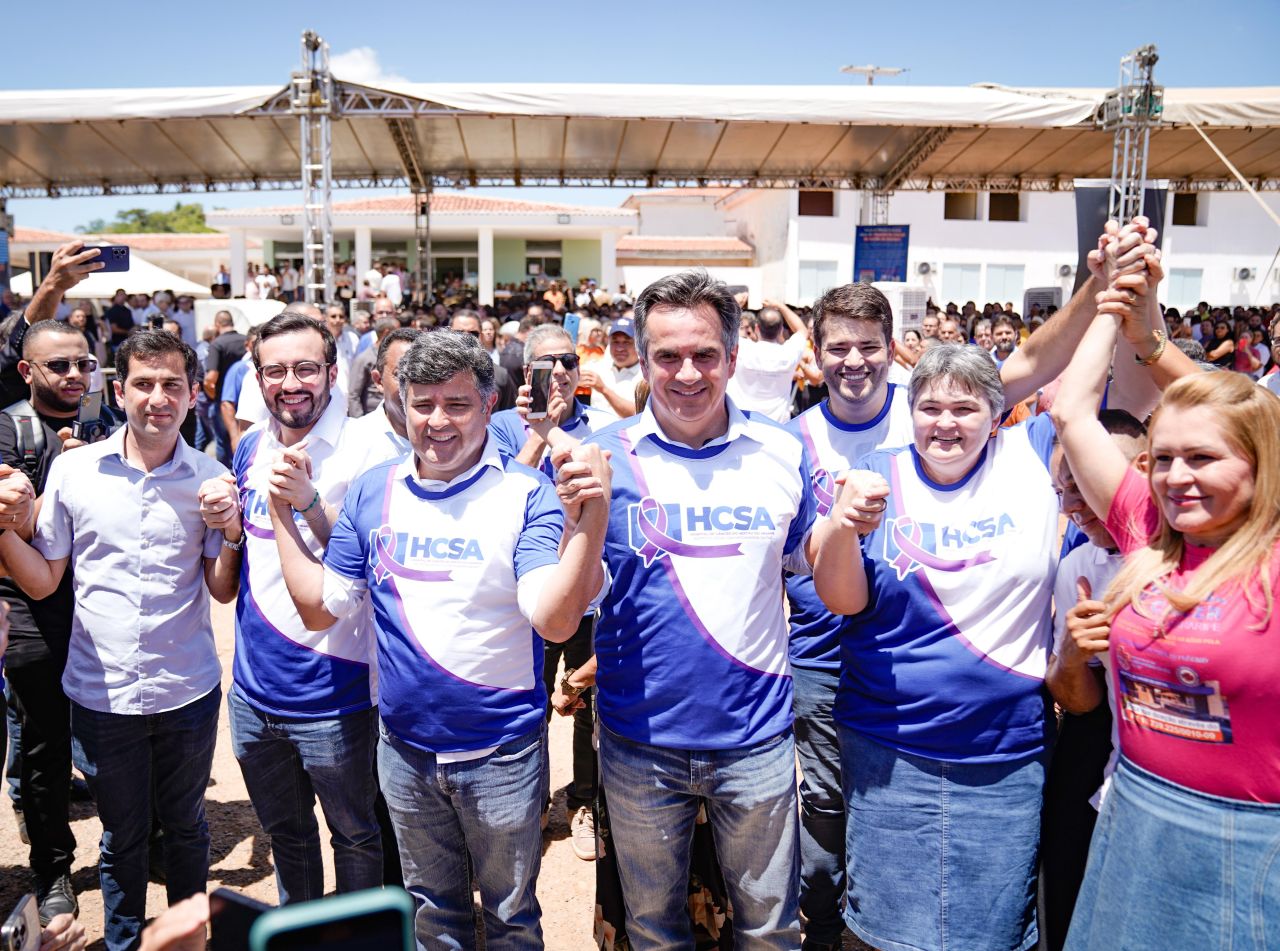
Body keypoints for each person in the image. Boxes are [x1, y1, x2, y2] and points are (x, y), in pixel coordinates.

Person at [269, 330, 611, 948]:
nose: (438, 421)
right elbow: (322, 611)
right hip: (404, 752)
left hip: (502, 753)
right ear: (402, 405)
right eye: (423, 404)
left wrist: (593, 514)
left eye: (456, 404)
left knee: (510, 917)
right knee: (435, 913)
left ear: (488, 407)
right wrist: (278, 513)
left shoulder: (526, 494)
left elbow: (555, 622)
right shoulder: (375, 490)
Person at [580, 270, 861, 949]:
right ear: (642, 360)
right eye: (667, 355)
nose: (687, 372)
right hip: (638, 741)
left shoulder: (782, 450)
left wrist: (845, 521)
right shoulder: (604, 461)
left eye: (705, 354)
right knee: (654, 930)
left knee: (768, 929)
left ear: (734, 358)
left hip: (757, 742)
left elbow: (813, 564)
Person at [1051, 240, 1280, 950]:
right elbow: (1071, 413)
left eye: (1204, 457)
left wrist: (1151, 340)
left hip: (1254, 841)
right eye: (1165, 456)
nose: (1177, 476)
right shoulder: (1150, 532)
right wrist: (1110, 298)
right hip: (1137, 815)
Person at [0, 329, 242, 951]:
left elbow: (220, 588)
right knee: (121, 836)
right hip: (101, 693)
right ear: (119, 390)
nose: (157, 398)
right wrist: (1, 530)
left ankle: (190, 939)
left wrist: (233, 532)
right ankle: (125, 943)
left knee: (186, 830)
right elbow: (45, 576)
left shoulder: (211, 479)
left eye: (171, 386)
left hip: (185, 689)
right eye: (143, 384)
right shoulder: (75, 471)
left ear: (193, 395)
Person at [228, 310, 390, 905]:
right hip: (252, 693)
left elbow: (374, 563)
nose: (290, 383)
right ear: (258, 376)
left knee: (354, 836)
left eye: (305, 368)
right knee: (287, 838)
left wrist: (311, 503)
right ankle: (301, 934)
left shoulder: (372, 449)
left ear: (332, 370)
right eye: (275, 371)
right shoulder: (249, 446)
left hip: (337, 692)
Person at [0, 320, 120, 925]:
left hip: (102, 606)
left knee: (117, 741)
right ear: (28, 371)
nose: (75, 376)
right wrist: (64, 474)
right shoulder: (9, 429)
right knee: (45, 751)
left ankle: (128, 850)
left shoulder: (111, 425)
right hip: (29, 610)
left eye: (83, 364)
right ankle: (52, 870)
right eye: (59, 367)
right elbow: (11, 532)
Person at [1039, 410, 1147, 951]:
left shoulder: (1199, 562)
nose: (1073, 507)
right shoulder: (1075, 566)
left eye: (1086, 487)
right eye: (1064, 491)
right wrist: (1075, 656)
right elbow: (1076, 703)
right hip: (1094, 753)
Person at [725, 299, 808, 422]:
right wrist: (780, 305)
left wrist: (735, 303)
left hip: (743, 425)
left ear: (757, 328)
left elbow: (722, 325)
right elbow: (802, 330)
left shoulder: (742, 348)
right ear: (781, 330)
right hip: (778, 428)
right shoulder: (788, 354)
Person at [580, 315, 642, 419]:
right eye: (615, 342)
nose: (620, 348)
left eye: (626, 342)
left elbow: (637, 414)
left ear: (638, 344)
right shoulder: (599, 367)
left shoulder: (645, 377)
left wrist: (604, 390)